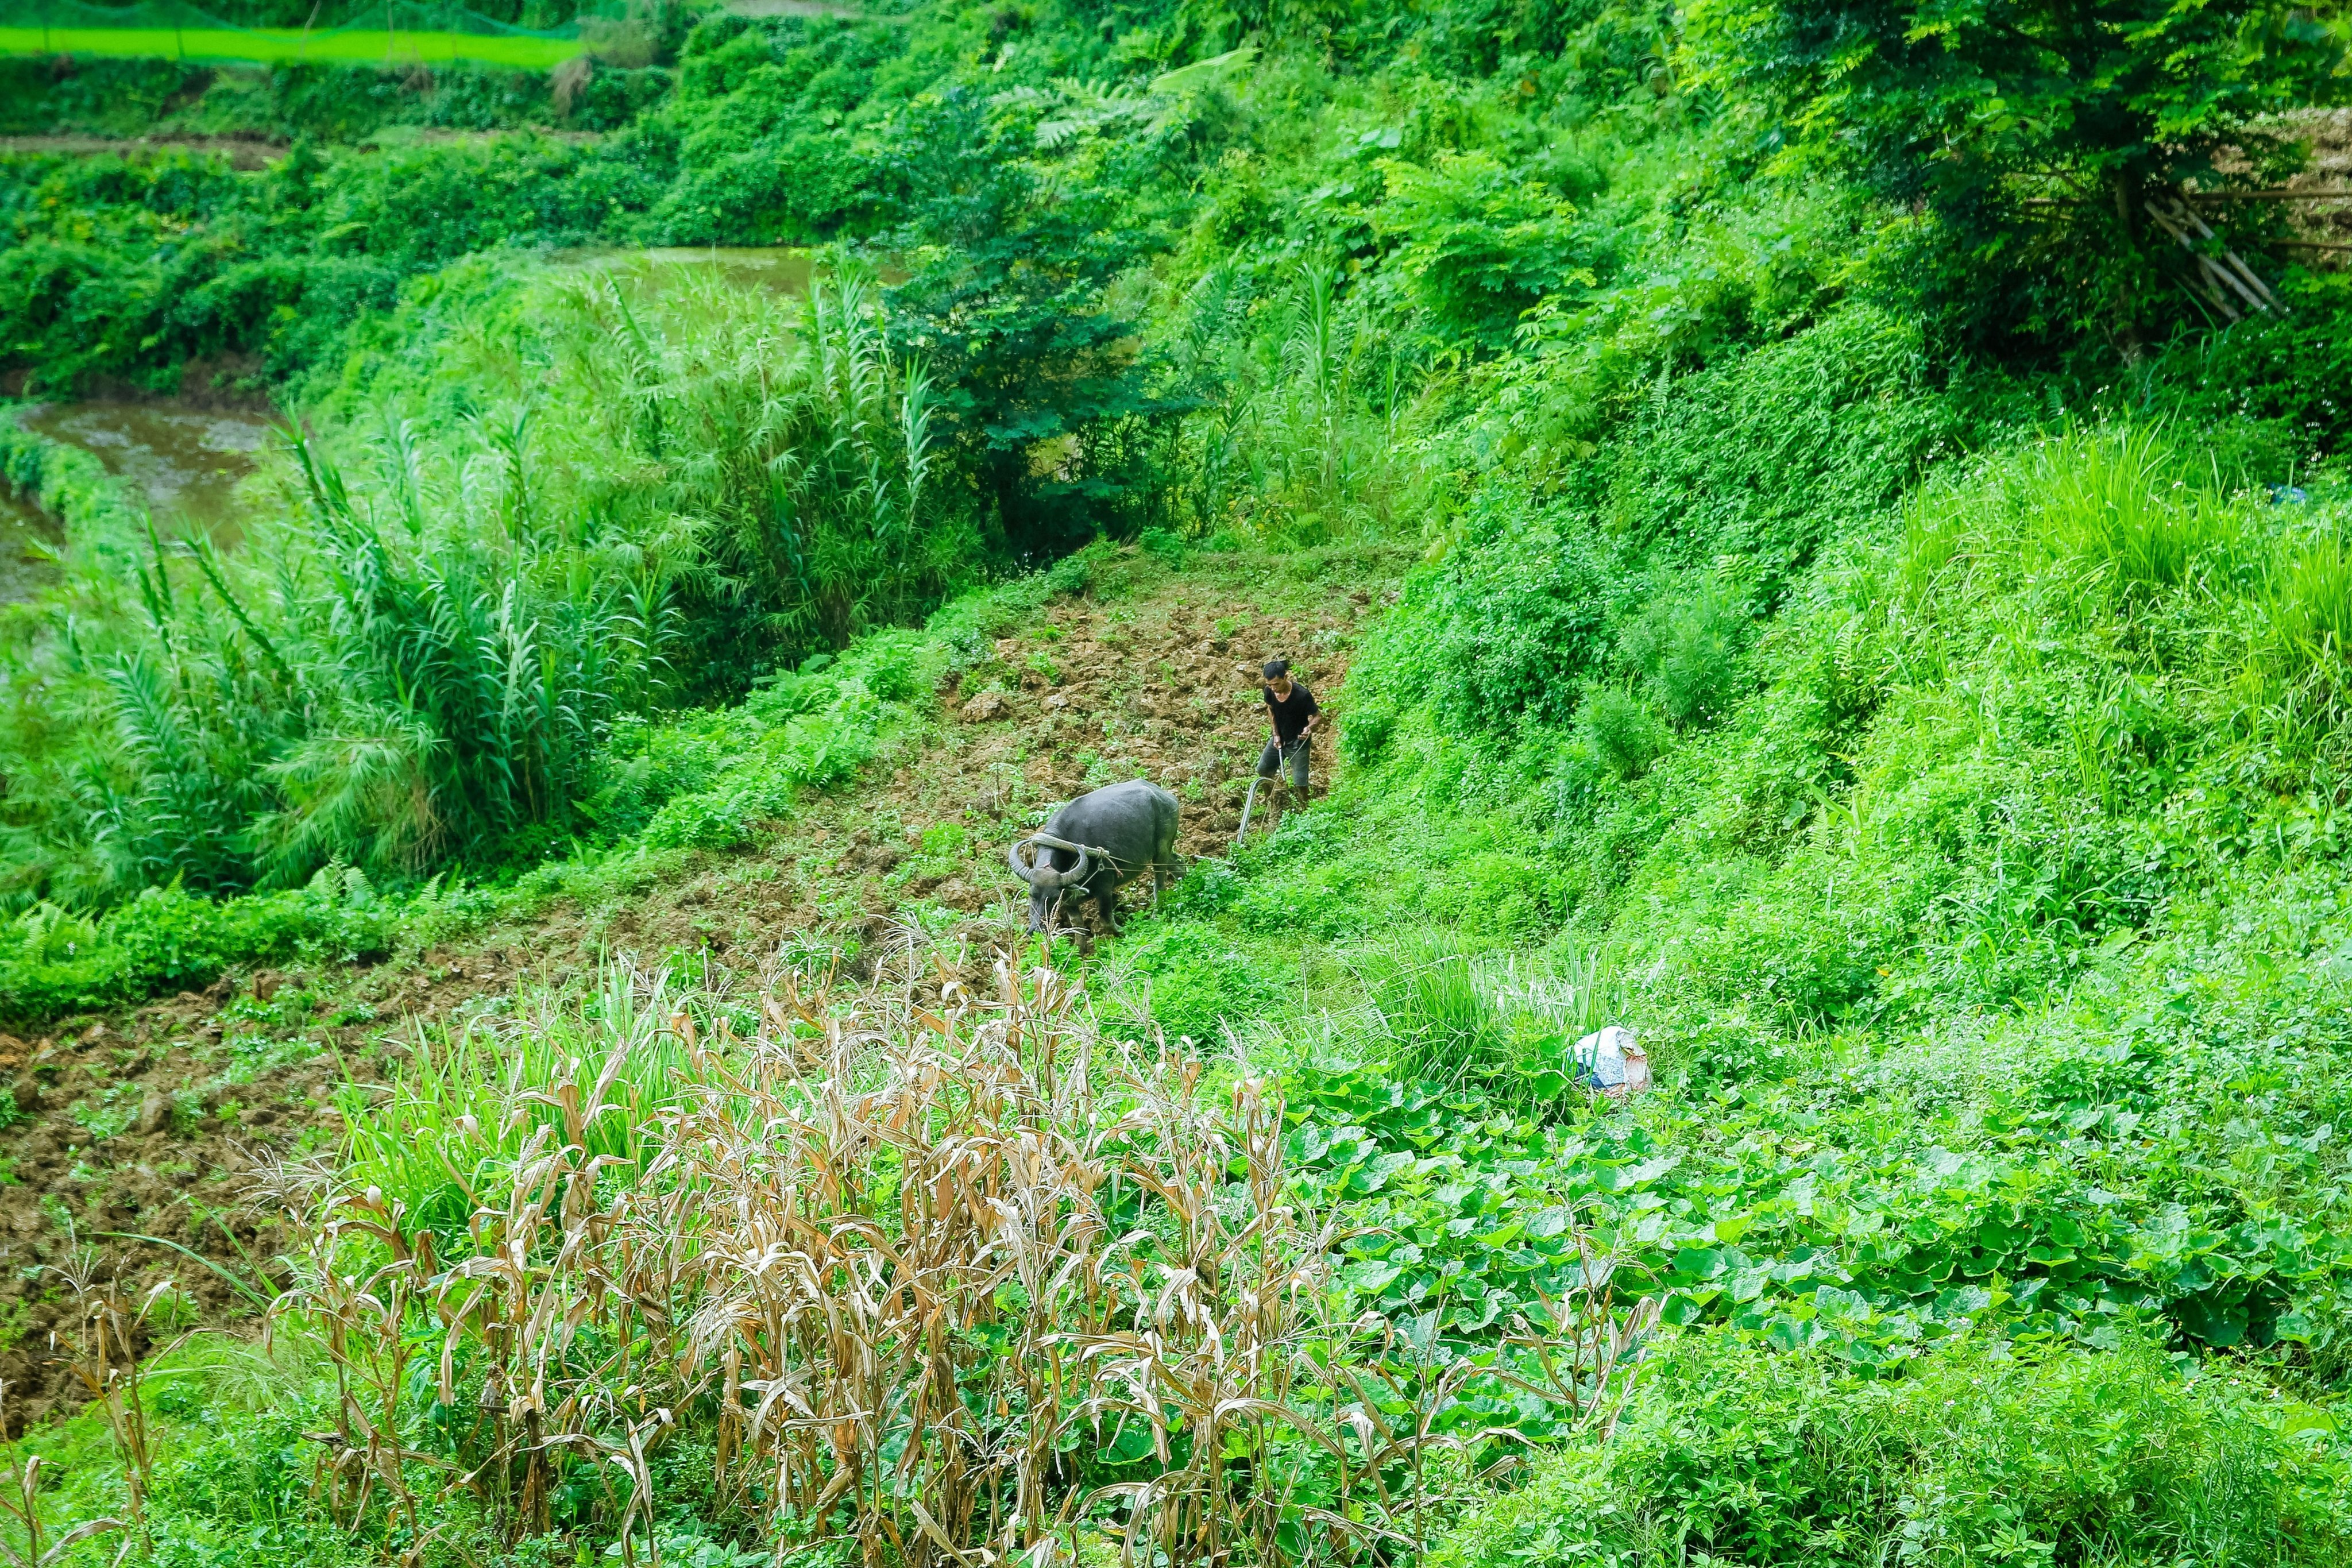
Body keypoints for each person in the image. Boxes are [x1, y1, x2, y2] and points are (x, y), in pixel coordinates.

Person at [1257, 658, 1319, 804]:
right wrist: (1276, 734)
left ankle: (1305, 808)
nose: (1273, 688)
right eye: (1269, 685)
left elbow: (1317, 716)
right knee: (1263, 769)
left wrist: (1309, 728)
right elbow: (1271, 710)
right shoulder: (1269, 692)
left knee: (1300, 783)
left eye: (1276, 684)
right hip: (1279, 739)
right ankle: (1272, 801)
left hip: (1298, 742)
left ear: (1285, 677)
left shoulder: (1302, 695)